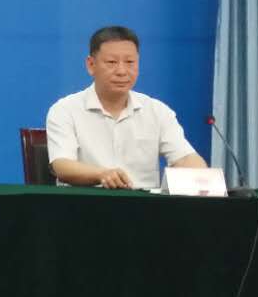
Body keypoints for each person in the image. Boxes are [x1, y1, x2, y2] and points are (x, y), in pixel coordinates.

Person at [46, 25, 206, 189]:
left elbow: (184, 158)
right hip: (85, 201)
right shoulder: (65, 110)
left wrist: (203, 177)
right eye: (111, 62)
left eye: (130, 62)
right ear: (91, 65)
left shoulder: (157, 111)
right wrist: (101, 175)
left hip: (143, 203)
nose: (122, 71)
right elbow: (62, 165)